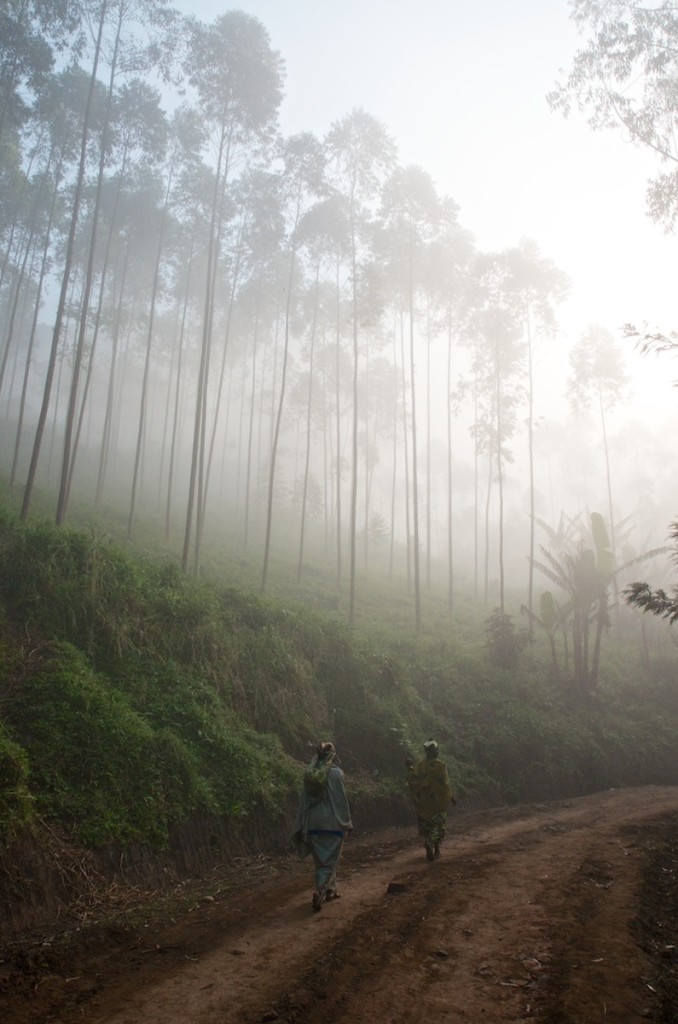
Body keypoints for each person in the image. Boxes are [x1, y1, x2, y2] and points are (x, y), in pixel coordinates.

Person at [292, 741, 353, 911]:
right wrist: (347, 822)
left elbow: (304, 801)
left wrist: (302, 824)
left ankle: (331, 890)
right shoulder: (337, 774)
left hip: (313, 825)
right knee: (330, 861)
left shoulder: (310, 775)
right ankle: (320, 890)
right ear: (332, 755)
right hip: (333, 824)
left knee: (321, 861)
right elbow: (341, 801)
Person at [406, 738, 456, 861]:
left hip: (424, 804)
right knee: (438, 826)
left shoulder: (421, 765)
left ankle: (429, 843)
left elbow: (413, 779)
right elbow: (445, 784)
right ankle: (435, 848)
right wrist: (451, 797)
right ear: (436, 752)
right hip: (438, 803)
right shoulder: (440, 766)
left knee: (426, 825)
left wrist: (409, 767)